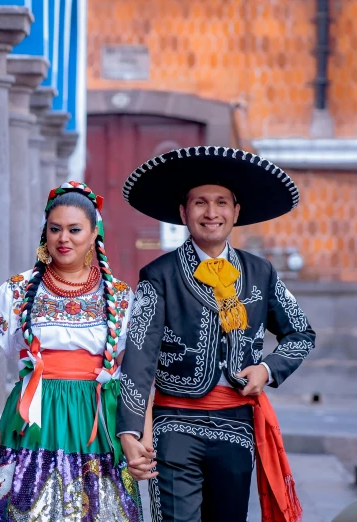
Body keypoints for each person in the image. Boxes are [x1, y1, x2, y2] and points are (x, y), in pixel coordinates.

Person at [115, 146, 316, 522]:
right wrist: (130, 431)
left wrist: (267, 370)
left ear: (236, 212)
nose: (211, 213)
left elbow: (301, 333)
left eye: (222, 202)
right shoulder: (158, 275)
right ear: (183, 212)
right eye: (200, 203)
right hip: (174, 425)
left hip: (236, 429)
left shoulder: (261, 273)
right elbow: (139, 359)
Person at [0, 182, 148, 521]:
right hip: (34, 420)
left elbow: (139, 374)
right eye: (55, 229)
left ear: (93, 235)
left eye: (75, 230)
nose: (63, 238)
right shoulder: (18, 289)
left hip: (97, 417)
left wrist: (141, 433)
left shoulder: (119, 296)